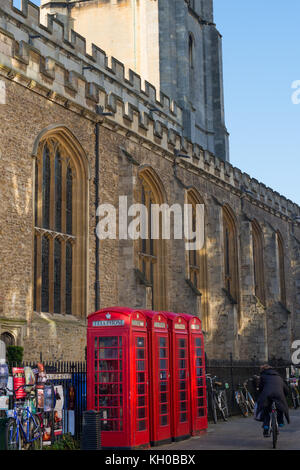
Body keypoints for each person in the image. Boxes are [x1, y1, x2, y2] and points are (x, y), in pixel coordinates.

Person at [256, 364, 290, 437]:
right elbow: (286, 390)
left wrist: (261, 394)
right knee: (280, 406)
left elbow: (261, 388)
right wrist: (284, 396)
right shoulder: (279, 377)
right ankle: (280, 422)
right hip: (279, 395)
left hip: (267, 395)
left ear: (263, 370)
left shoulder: (263, 376)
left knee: (266, 409)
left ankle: (266, 426)